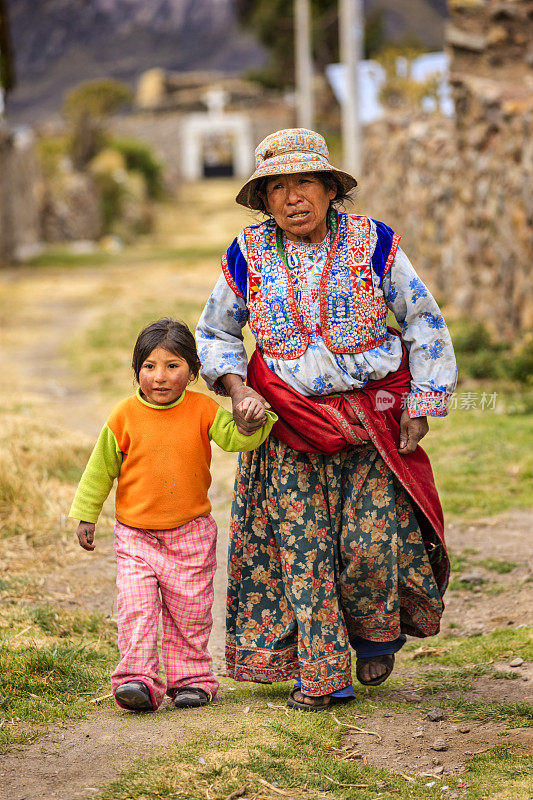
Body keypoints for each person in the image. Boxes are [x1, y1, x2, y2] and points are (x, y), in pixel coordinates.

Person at [196, 129, 457, 711]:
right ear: (263, 199)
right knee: (304, 552)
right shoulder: (247, 255)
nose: (292, 198)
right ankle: (322, 671)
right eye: (277, 187)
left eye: (304, 182)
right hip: (287, 430)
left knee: (368, 545)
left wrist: (421, 404)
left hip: (370, 424)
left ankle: (371, 637)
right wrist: (237, 388)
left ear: (330, 188)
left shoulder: (374, 244)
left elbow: (422, 319)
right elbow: (214, 331)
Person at [69, 318, 276, 712]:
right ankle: (137, 681)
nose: (159, 377)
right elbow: (99, 470)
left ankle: (192, 681)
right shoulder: (124, 416)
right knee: (136, 609)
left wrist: (252, 421)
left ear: (193, 372)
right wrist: (87, 515)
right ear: (136, 371)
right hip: (136, 537)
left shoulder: (202, 410)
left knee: (191, 613)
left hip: (191, 535)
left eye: (172, 366)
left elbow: (236, 438)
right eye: (149, 366)